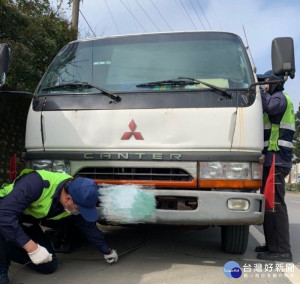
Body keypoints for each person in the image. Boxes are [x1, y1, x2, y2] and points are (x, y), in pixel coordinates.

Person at [0, 169, 118, 284]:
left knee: (48, 265)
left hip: (26, 220)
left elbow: (87, 227)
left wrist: (107, 250)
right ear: (68, 199)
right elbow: (4, 216)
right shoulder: (36, 183)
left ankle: (9, 248)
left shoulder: (77, 195)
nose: (80, 212)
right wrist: (32, 248)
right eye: (80, 209)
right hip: (4, 213)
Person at [255, 70, 295, 262]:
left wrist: (258, 91)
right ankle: (272, 245)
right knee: (269, 205)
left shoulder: (279, 98)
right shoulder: (273, 97)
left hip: (276, 160)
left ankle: (281, 250)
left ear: (275, 83)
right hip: (271, 160)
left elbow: (270, 108)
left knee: (276, 206)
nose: (263, 86)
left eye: (265, 83)